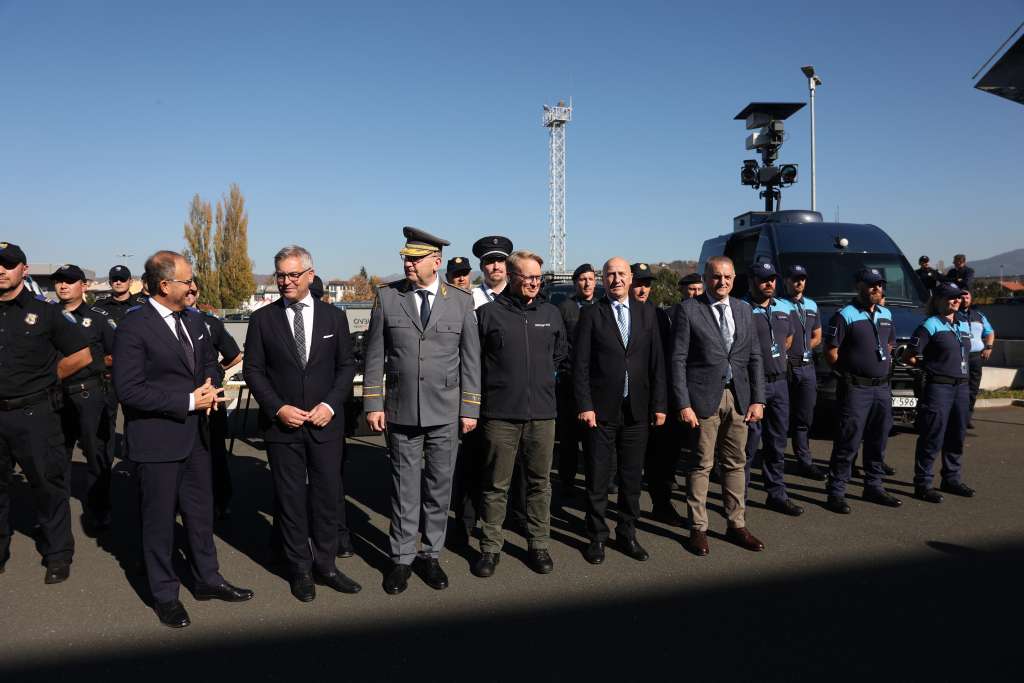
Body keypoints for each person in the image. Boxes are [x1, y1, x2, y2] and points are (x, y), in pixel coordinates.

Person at [113, 250, 252, 627]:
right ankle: (165, 594)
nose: (193, 286)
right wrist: (190, 400)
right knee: (158, 521)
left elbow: (208, 361)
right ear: (164, 285)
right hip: (158, 441)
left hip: (198, 439)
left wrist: (210, 385)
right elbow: (129, 390)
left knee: (200, 514)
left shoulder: (193, 320)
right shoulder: (134, 326)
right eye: (187, 281)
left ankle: (208, 579)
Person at [363, 226, 481, 595]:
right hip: (400, 410)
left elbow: (470, 361)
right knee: (403, 487)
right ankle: (400, 558)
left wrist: (470, 408)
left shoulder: (461, 302)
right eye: (406, 258)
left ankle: (430, 555)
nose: (408, 264)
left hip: (446, 411)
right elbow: (374, 355)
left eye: (415, 258)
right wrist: (372, 402)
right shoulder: (387, 297)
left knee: (438, 487)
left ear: (436, 262)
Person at [244, 245, 360, 602]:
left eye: (293, 274)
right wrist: (278, 408)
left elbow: (346, 366)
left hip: (325, 425)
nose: (285, 281)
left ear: (310, 275)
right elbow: (253, 370)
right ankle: (300, 570)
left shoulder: (333, 318)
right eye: (280, 274)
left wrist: (330, 404)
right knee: (291, 500)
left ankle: (326, 565)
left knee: (327, 499)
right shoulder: (263, 320)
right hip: (283, 428)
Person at [0, 242, 91, 583]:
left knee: (47, 485)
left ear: (23, 269)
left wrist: (47, 379)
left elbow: (81, 354)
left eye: (8, 264)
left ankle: (57, 554)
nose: (1, 270)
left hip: (34, 413)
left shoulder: (47, 312)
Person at [472, 250, 567, 577]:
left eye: (538, 278)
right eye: (528, 278)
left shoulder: (551, 313)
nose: (534, 283)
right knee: (496, 485)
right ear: (511, 277)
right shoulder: (487, 315)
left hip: (542, 415)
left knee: (540, 483)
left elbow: (559, 357)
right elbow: (475, 364)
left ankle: (539, 543)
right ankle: (490, 547)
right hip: (500, 416)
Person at [574, 257, 666, 564]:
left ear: (630, 278)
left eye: (621, 274)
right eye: (610, 274)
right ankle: (597, 536)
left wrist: (660, 405)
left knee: (631, 478)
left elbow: (657, 363)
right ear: (603, 279)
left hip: (637, 409)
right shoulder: (591, 314)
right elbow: (581, 366)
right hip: (600, 411)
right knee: (599, 477)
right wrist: (585, 405)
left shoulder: (647, 312)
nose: (616, 279)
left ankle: (627, 533)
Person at [672, 256, 766, 556]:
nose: (722, 282)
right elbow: (678, 360)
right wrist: (683, 403)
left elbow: (754, 357)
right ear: (706, 277)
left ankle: (736, 523)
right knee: (701, 464)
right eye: (716, 277)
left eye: (727, 276)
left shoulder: (743, 309)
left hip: (738, 398)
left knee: (736, 463)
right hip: (703, 399)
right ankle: (698, 528)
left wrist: (758, 398)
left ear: (734, 277)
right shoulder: (688, 310)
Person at [822, 268, 902, 514]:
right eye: (871, 284)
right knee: (848, 441)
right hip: (856, 388)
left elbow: (889, 344)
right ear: (859, 286)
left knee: (878, 440)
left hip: (882, 388)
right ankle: (836, 491)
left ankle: (874, 486)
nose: (877, 289)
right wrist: (847, 374)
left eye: (880, 284)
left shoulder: (886, 313)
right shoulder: (845, 315)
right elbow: (831, 351)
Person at [51, 264, 116, 532]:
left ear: (84, 286)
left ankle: (99, 509)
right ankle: (55, 513)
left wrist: (95, 365)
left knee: (95, 453)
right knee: (54, 456)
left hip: (89, 393)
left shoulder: (98, 318)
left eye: (69, 281)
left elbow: (116, 354)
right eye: (58, 281)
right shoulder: (46, 316)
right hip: (53, 395)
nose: (63, 286)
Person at [902, 282, 976, 502]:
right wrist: (929, 368)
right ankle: (923, 483)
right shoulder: (930, 325)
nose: (956, 300)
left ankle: (951, 478)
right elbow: (910, 356)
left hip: (961, 386)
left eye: (958, 297)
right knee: (932, 435)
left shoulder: (963, 324)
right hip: (939, 387)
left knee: (957, 434)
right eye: (951, 297)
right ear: (939, 300)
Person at [742, 263, 802, 516]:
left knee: (776, 443)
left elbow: (787, 340)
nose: (769, 284)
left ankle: (776, 493)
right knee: (747, 445)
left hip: (780, 383)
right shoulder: (742, 309)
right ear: (752, 281)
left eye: (773, 280)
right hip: (754, 385)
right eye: (764, 280)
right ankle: (738, 498)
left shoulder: (783, 309)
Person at [183, 286, 242, 520]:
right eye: (186, 291)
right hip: (183, 398)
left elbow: (235, 355)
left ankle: (221, 500)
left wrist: (219, 370)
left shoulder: (210, 323)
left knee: (215, 452)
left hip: (212, 398)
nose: (190, 295)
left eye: (194, 292)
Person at [633, 262, 685, 526]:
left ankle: (661, 505)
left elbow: (667, 360)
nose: (643, 289)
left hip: (656, 397)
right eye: (638, 283)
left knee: (660, 458)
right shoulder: (618, 313)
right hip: (627, 398)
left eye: (647, 284)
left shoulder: (660, 315)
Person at [94, 264, 147, 463]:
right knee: (105, 424)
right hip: (107, 375)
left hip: (134, 374)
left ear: (130, 282)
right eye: (114, 279)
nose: (118, 282)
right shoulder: (99, 307)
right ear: (109, 282)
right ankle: (104, 465)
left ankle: (135, 460)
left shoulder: (142, 306)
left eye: (122, 279)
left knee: (135, 421)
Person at [555, 263, 597, 496]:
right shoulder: (565, 308)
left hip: (594, 382)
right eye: (582, 279)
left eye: (591, 278)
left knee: (595, 435)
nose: (588, 283)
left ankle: (599, 478)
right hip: (569, 380)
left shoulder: (602, 307)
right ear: (575, 282)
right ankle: (567, 479)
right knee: (569, 437)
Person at [783, 265, 827, 481]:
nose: (799, 283)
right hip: (786, 366)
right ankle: (772, 459)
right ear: (787, 281)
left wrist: (805, 349)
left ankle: (805, 461)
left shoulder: (811, 304)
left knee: (804, 416)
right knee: (780, 416)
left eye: (802, 279)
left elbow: (817, 335)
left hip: (807, 367)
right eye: (794, 279)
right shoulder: (779, 304)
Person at [958, 288, 995, 425]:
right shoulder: (953, 315)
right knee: (960, 387)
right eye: (961, 297)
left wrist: (989, 347)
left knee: (973, 388)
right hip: (959, 356)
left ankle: (967, 417)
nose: (964, 299)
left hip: (976, 357)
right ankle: (958, 417)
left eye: (967, 297)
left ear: (971, 299)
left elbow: (990, 332)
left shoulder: (979, 316)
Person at [472, 236, 513, 307]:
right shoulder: (471, 298)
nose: (496, 267)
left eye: (501, 261)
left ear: (508, 265)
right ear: (481, 266)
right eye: (490, 261)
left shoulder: (517, 295)